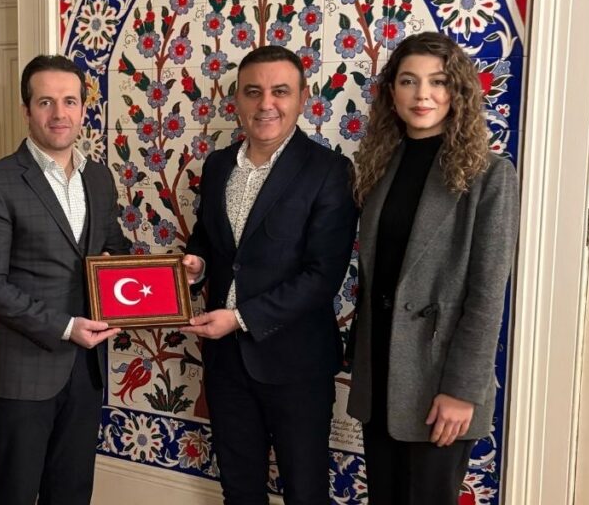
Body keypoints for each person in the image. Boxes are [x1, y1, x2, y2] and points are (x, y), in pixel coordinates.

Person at [345, 32, 520, 504]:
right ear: (392, 92)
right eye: (409, 81)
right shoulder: (379, 166)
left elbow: (487, 295)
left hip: (440, 377)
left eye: (438, 81)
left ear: (456, 90)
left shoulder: (490, 175)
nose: (422, 94)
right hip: (380, 372)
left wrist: (461, 389)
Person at [180, 46, 358, 505]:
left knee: (305, 491)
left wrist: (239, 318)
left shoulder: (330, 172)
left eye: (280, 91)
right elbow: (208, 240)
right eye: (253, 92)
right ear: (237, 99)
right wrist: (197, 265)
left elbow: (323, 276)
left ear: (302, 98)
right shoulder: (217, 165)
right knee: (239, 489)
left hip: (297, 364)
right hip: (225, 363)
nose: (266, 104)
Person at [0, 55, 131, 505]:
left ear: (83, 109)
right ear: (26, 110)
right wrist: (65, 326)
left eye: (70, 101)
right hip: (21, 374)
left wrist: (167, 274)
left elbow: (113, 250)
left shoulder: (99, 177)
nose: (60, 113)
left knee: (72, 493)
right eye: (45, 102)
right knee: (14, 495)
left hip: (87, 370)